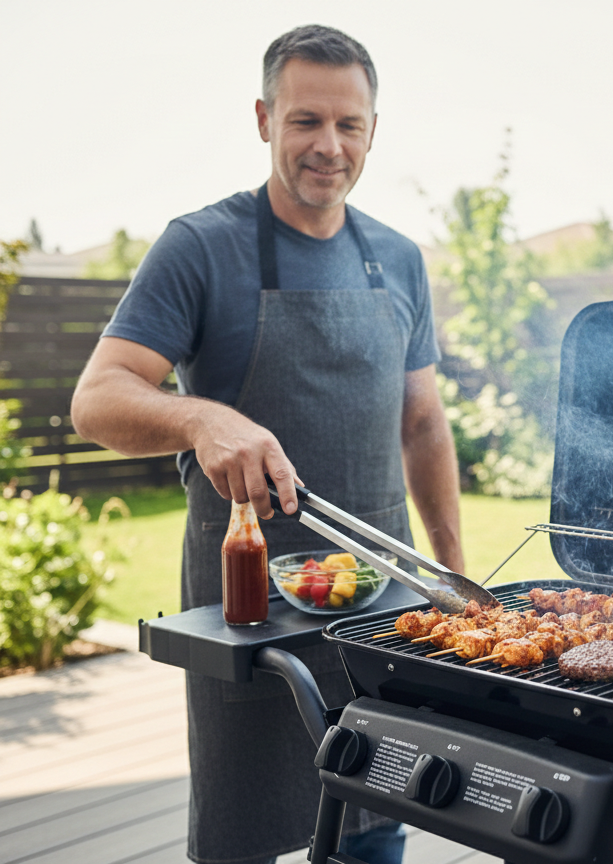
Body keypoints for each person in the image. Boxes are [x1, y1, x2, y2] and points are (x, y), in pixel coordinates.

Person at [71, 25, 462, 864]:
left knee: (374, 817)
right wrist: (199, 417)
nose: (329, 146)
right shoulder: (200, 246)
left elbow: (423, 423)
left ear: (372, 131)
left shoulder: (399, 258)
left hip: (379, 608)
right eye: (305, 121)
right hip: (250, 603)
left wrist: (451, 580)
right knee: (244, 829)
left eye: (349, 125)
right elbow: (96, 400)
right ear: (263, 119)